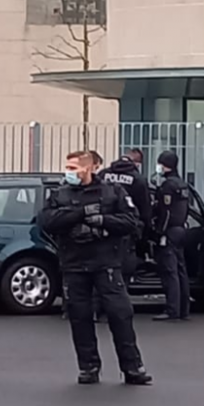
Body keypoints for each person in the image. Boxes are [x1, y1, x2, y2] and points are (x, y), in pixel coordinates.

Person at [38, 150, 152, 386]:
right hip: (74, 264)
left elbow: (132, 221)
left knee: (120, 314)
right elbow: (46, 222)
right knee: (79, 318)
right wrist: (79, 215)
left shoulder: (112, 192)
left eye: (73, 168)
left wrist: (102, 221)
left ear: (89, 168)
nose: (68, 172)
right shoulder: (60, 194)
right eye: (67, 167)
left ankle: (132, 368)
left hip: (105, 263)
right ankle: (88, 367)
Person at [98, 148, 152, 286]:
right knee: (123, 279)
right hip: (127, 233)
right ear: (137, 163)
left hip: (102, 230)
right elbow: (145, 210)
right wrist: (144, 239)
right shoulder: (138, 180)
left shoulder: (103, 174)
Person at [152, 150, 191, 322]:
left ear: (165, 165)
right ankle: (184, 309)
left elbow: (166, 212)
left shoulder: (168, 186)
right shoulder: (182, 184)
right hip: (181, 230)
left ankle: (172, 310)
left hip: (169, 232)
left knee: (170, 272)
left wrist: (159, 232)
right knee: (181, 271)